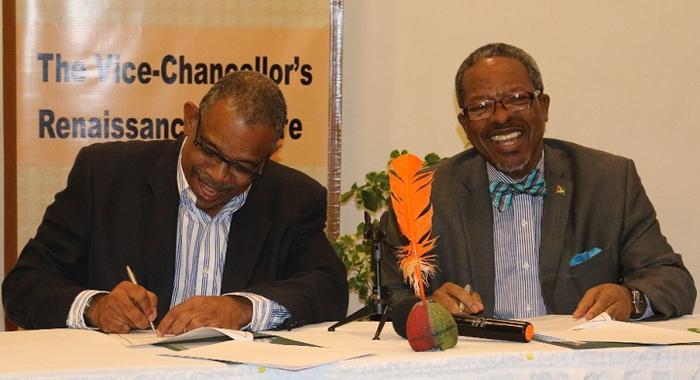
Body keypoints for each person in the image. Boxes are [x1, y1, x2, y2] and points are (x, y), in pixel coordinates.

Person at [3, 71, 348, 333]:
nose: (218, 175)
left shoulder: (293, 198)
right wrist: (95, 307)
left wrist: (243, 309)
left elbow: (329, 290)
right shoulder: (106, 175)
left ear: (268, 157)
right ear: (190, 120)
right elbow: (25, 286)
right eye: (210, 151)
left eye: (243, 167)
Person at [383, 43, 695, 322]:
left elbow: (671, 280)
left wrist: (631, 299)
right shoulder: (425, 193)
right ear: (465, 124)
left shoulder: (609, 180)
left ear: (543, 107)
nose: (501, 117)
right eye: (481, 107)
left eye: (517, 99)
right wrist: (423, 310)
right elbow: (387, 296)